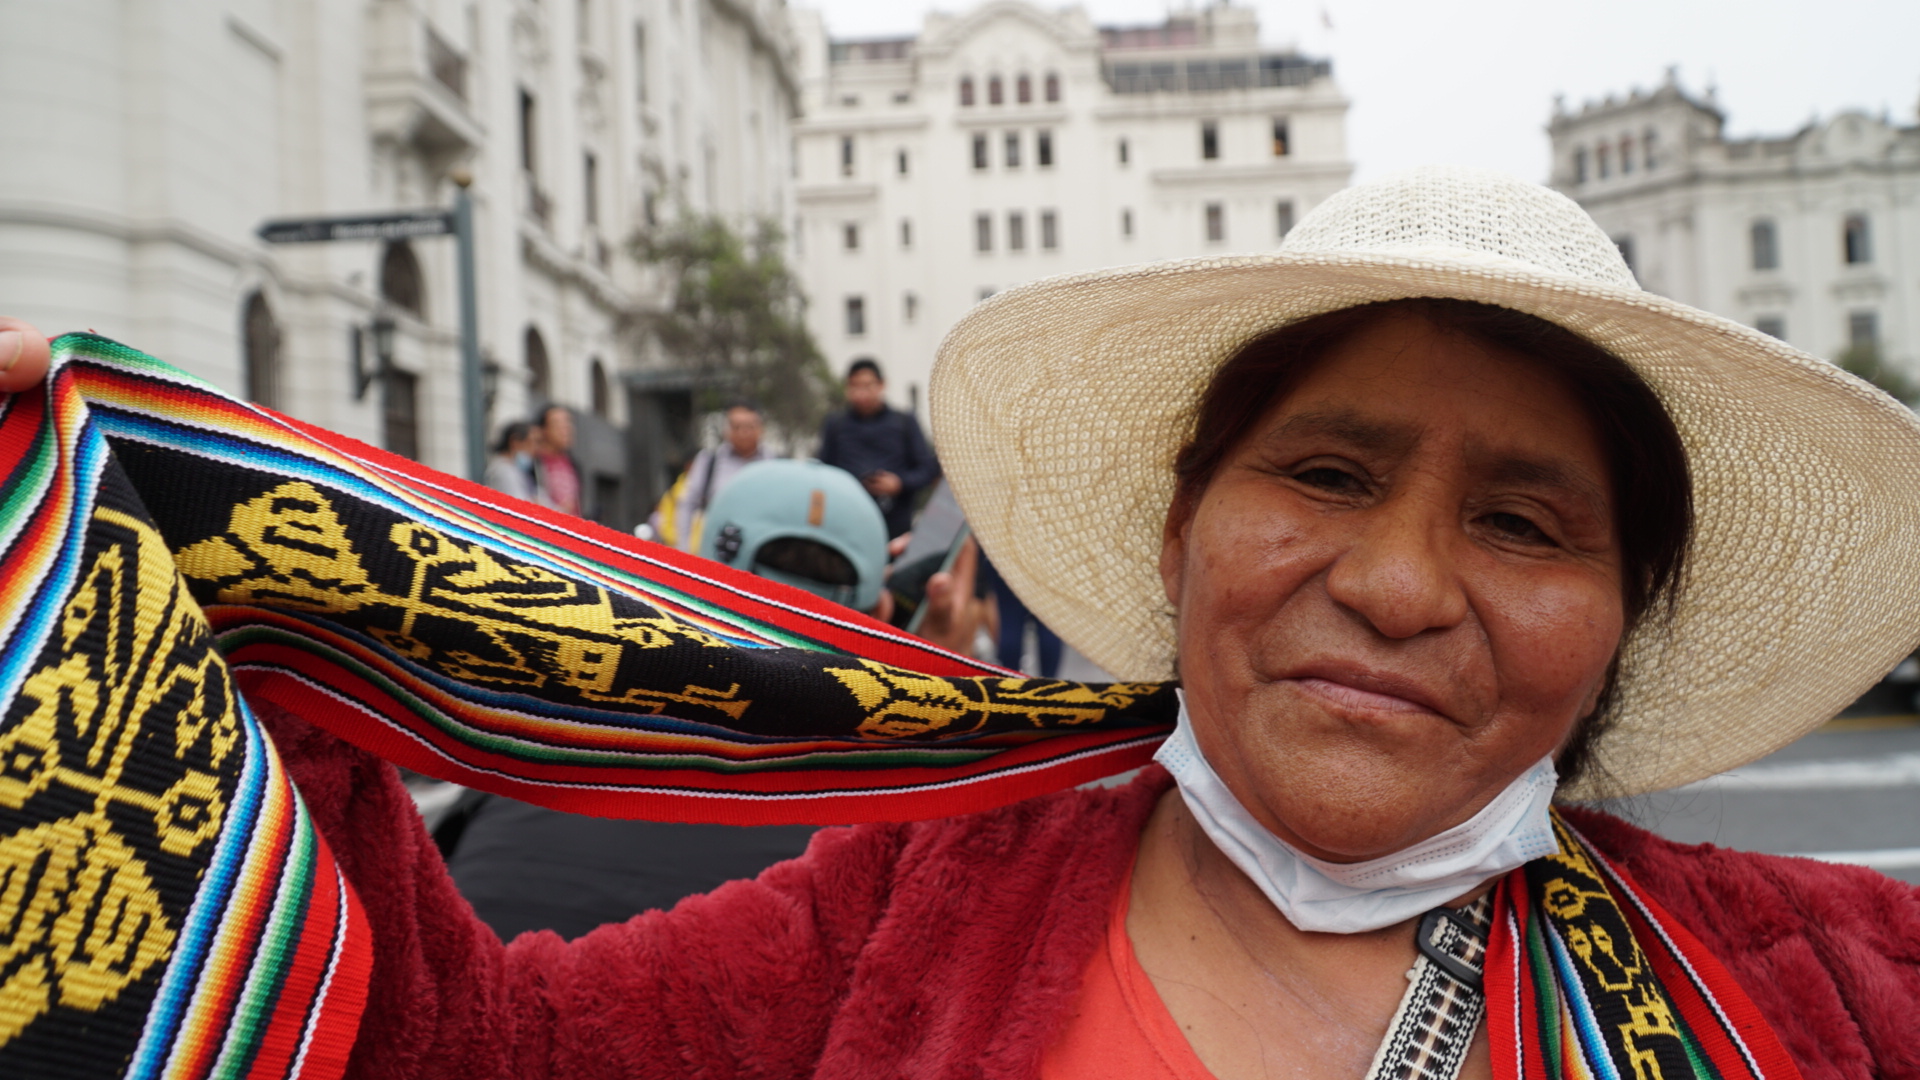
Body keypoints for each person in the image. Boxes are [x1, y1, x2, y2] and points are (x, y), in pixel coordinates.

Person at [6, 167, 1916, 1077]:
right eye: (1325, 476)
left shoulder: (1841, 992)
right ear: (1184, 527)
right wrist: (147, 559)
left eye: (1523, 522)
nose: (1404, 583)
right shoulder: (897, 909)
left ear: (1621, 611)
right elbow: (453, 1055)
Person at [440, 458, 960, 939]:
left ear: (684, 583)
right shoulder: (900, 831)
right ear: (884, 610)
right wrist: (941, 705)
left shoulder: (522, 743)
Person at [818, 358, 940, 538]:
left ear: (881, 385)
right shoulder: (835, 425)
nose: (862, 393)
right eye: (855, 386)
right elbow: (825, 471)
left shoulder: (904, 422)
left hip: (895, 523)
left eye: (867, 386)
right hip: (848, 522)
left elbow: (926, 470)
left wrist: (899, 483)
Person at [672, 401, 776, 552]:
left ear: (761, 429)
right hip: (718, 550)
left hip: (765, 549)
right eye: (736, 427)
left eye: (749, 426)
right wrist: (683, 547)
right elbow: (687, 503)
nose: (743, 432)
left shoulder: (776, 463)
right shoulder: (709, 461)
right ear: (726, 430)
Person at [536, 403, 584, 516]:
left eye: (568, 423)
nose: (566, 429)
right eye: (558, 424)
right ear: (543, 430)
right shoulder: (534, 463)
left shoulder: (573, 464)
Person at [481, 421, 545, 504]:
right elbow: (519, 504)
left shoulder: (517, 468)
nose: (536, 449)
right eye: (532, 442)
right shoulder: (502, 471)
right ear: (515, 442)